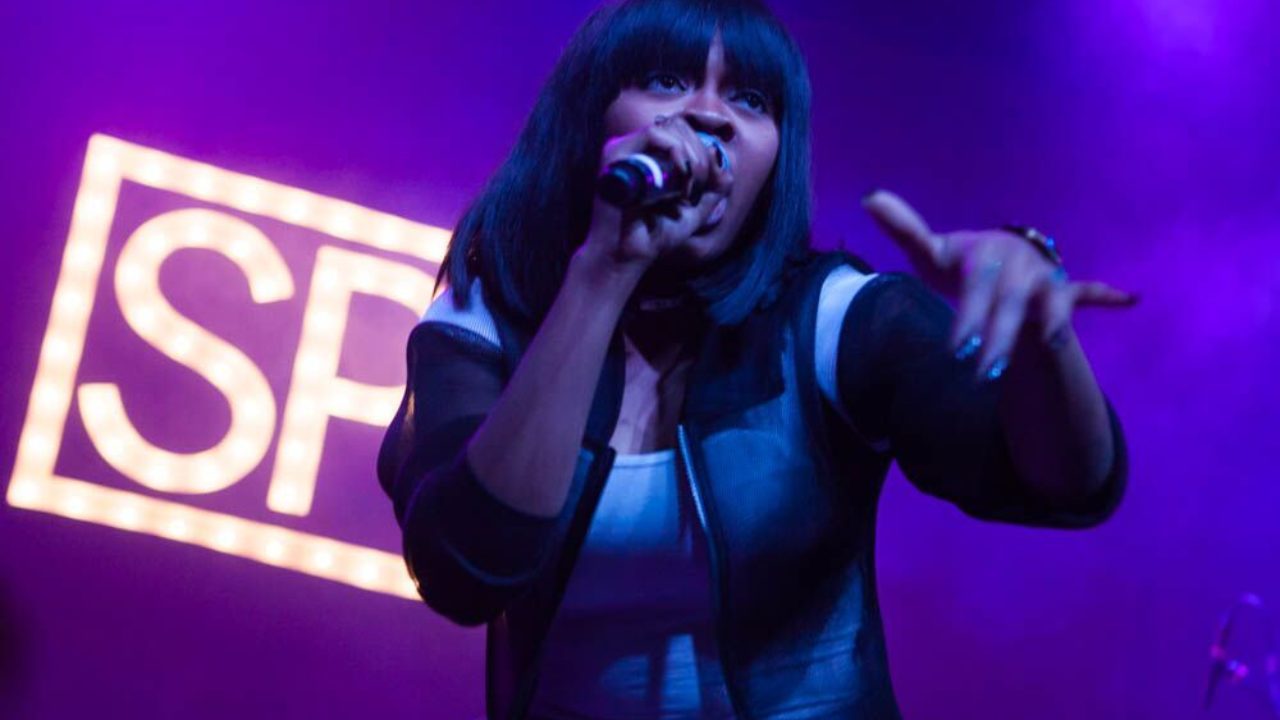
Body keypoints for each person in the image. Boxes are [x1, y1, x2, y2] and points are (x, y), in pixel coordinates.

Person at [376, 0, 1137, 717]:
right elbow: (464, 569)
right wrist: (604, 271)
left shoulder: (829, 319)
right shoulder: (489, 318)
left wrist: (1044, 340)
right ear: (588, 119)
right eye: (666, 80)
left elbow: (1067, 484)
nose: (709, 115)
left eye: (749, 99)